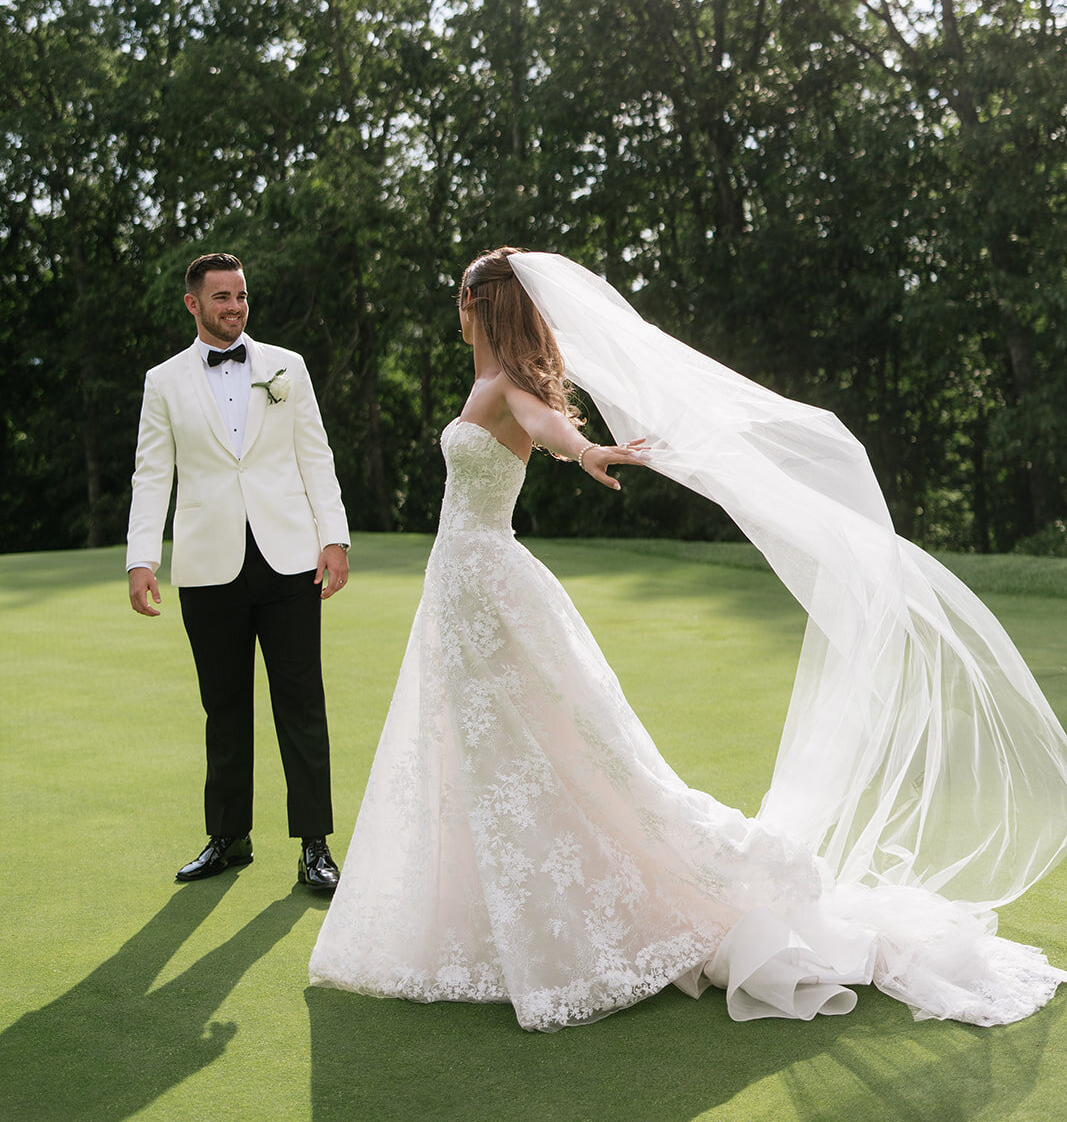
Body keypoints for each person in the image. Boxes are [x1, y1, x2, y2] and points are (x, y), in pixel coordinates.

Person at [309, 247, 1067, 1029]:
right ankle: (486, 921)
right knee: (481, 743)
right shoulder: (483, 383)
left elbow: (549, 427)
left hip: (489, 583)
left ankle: (614, 903)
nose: (455, 306)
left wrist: (589, 450)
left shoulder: (506, 389)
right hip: (459, 586)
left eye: (459, 294)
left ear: (478, 302)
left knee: (549, 742)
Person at [127, 252, 350, 891]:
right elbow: (151, 475)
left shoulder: (289, 367)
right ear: (193, 303)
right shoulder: (163, 381)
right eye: (221, 297)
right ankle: (228, 837)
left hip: (289, 559)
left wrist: (333, 537)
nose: (235, 307)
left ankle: (315, 847)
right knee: (223, 707)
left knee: (302, 704)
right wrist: (142, 557)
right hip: (207, 565)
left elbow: (317, 457)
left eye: (242, 296)